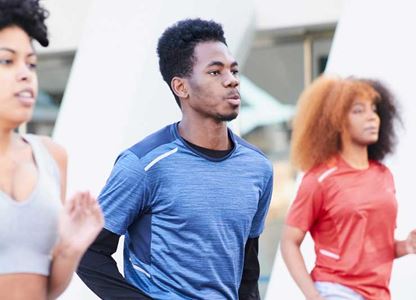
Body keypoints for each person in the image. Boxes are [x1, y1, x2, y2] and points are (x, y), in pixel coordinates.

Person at [77, 18, 273, 300]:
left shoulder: (258, 167)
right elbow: (89, 252)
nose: (232, 80)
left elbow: (248, 265)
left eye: (233, 69)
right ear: (181, 87)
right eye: (215, 72)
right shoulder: (143, 164)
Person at [280, 76, 416, 300]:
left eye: (374, 110)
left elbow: (375, 248)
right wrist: (313, 296)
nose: (372, 117)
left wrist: (406, 245)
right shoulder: (320, 179)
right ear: (338, 121)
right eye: (358, 110)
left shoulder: (383, 175)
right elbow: (289, 241)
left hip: (379, 293)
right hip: (336, 290)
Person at [0, 0, 104, 299]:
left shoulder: (51, 157)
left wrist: (70, 248)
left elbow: (45, 289)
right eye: (7, 60)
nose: (25, 74)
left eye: (30, 63)